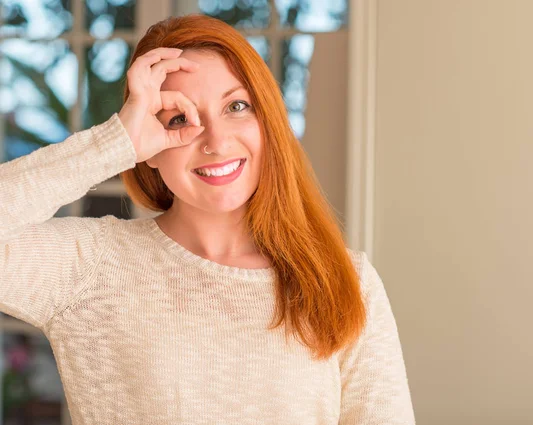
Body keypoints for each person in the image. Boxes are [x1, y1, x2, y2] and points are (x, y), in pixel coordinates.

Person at [0, 14, 415, 425]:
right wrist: (116, 141)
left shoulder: (347, 279)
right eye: (178, 119)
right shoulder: (89, 267)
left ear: (267, 120)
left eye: (237, 106)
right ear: (151, 150)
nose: (216, 142)